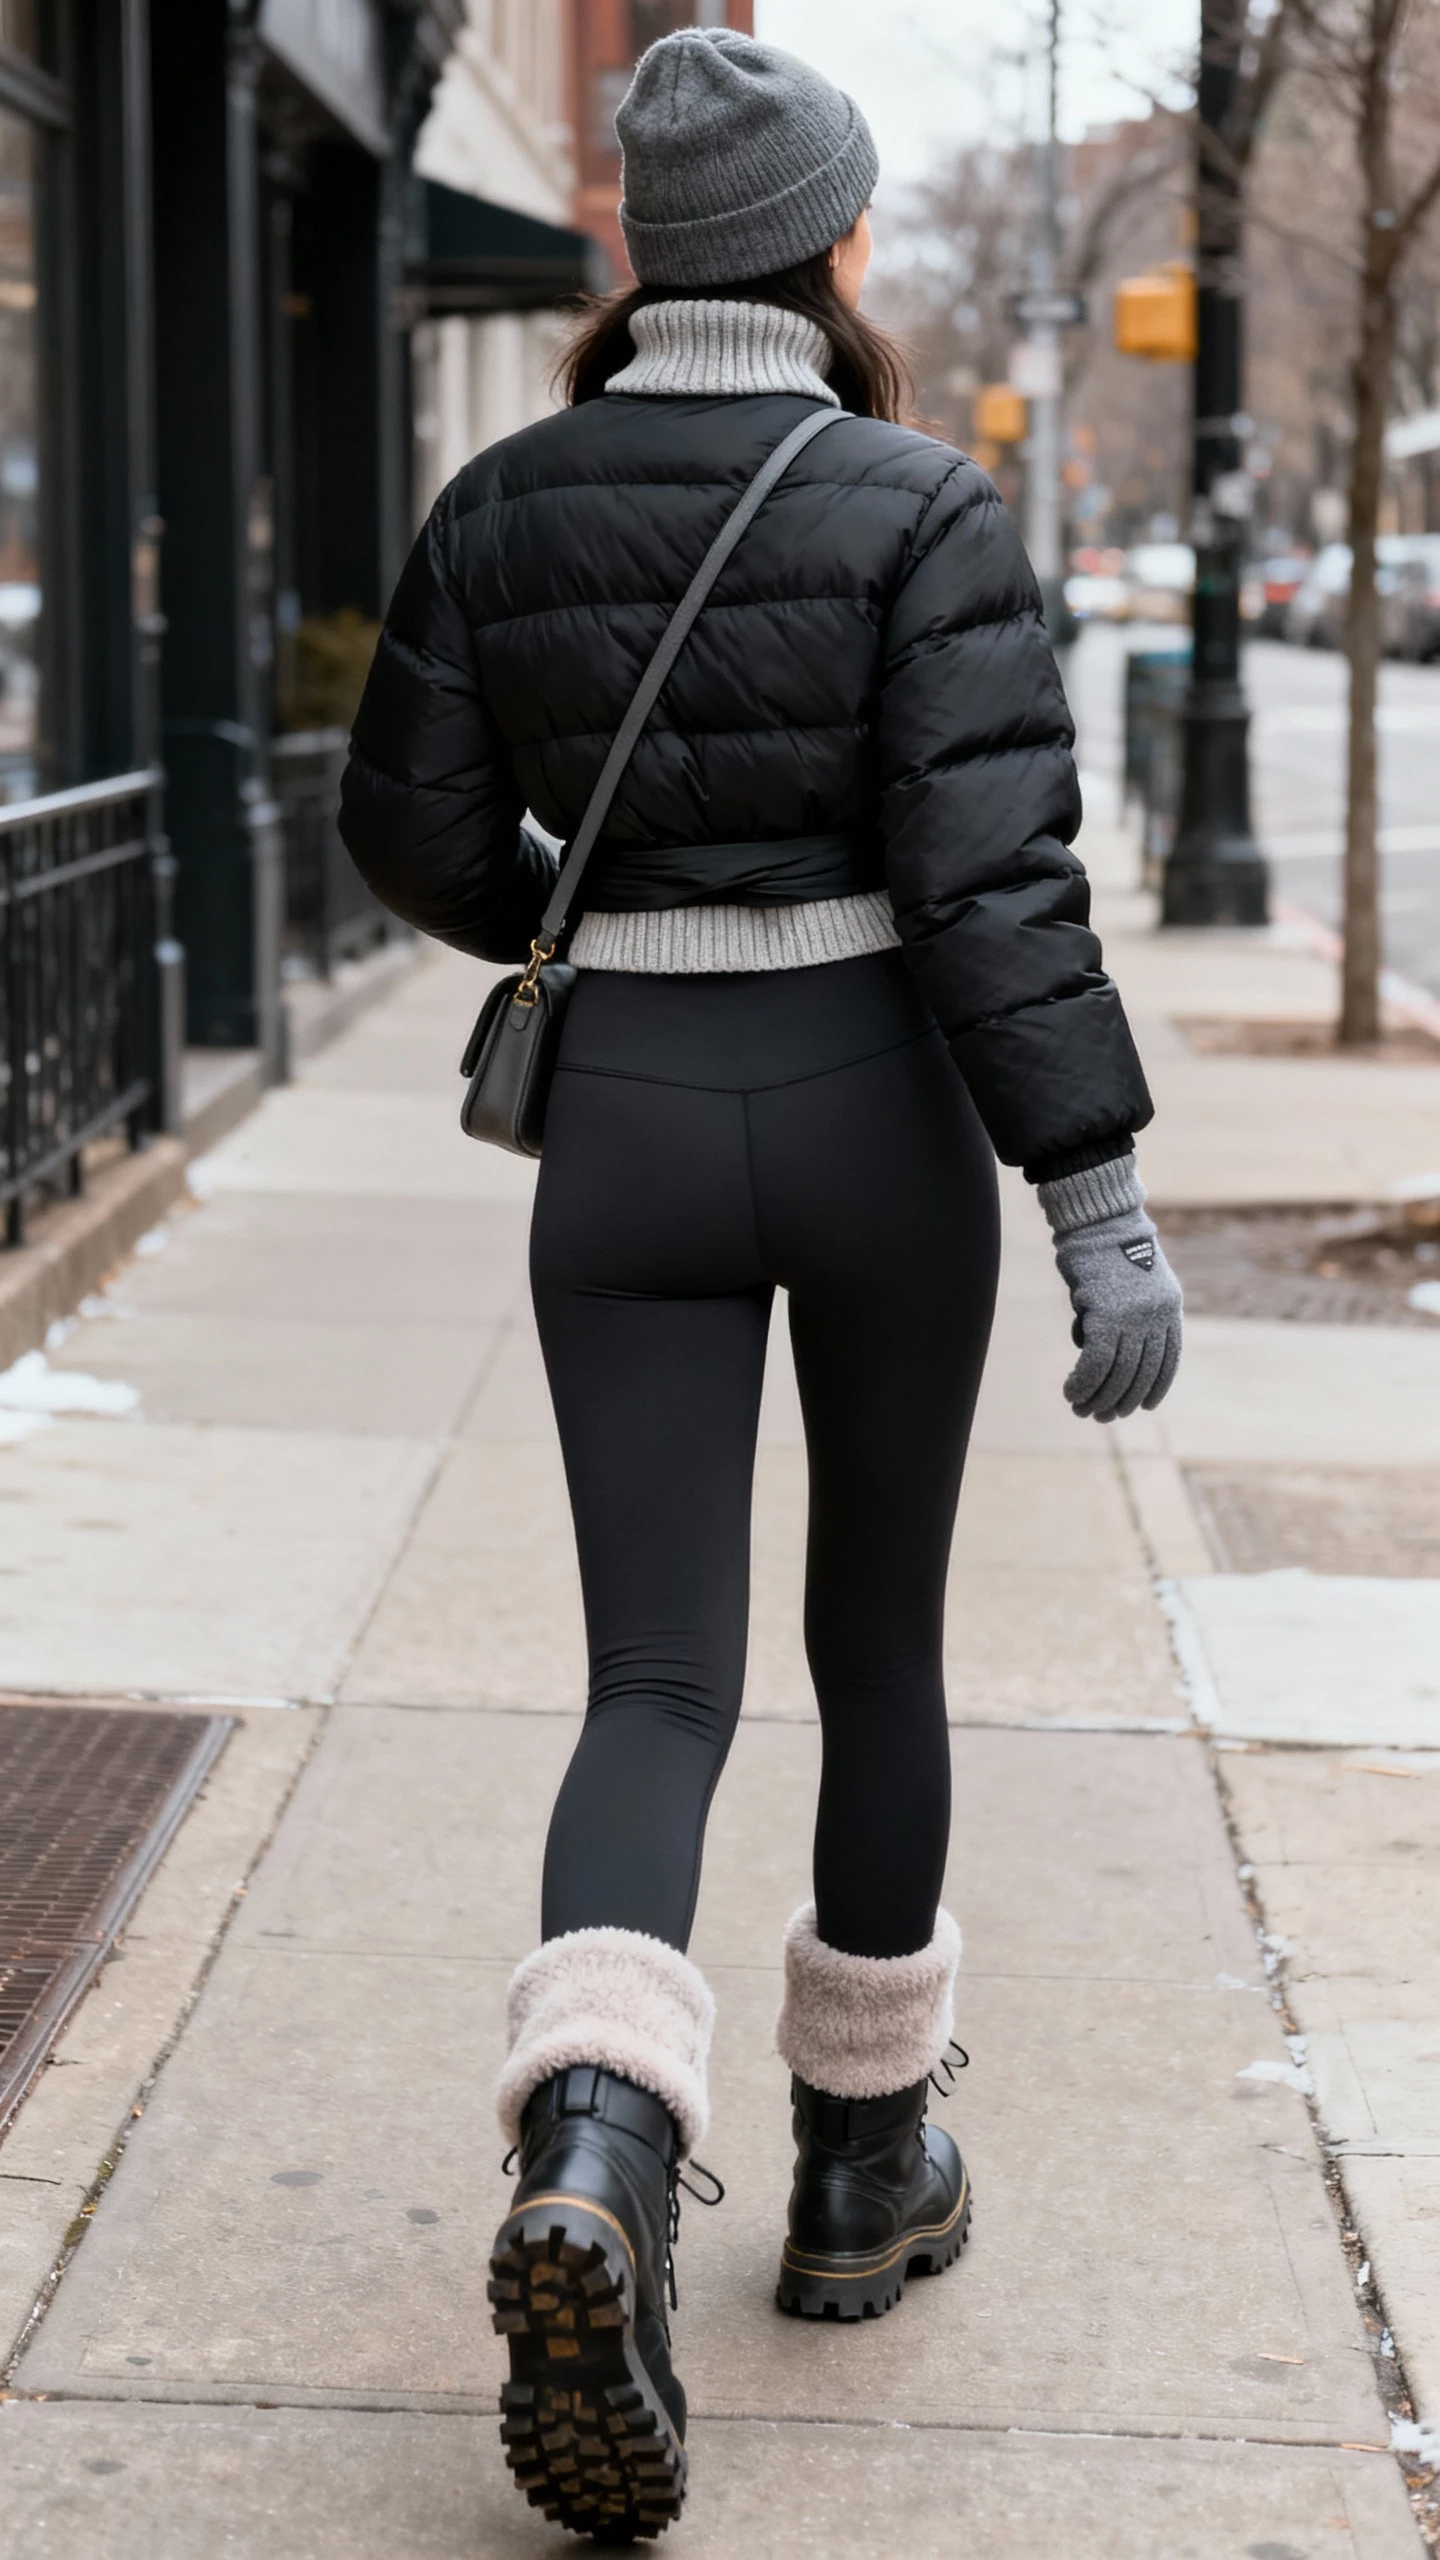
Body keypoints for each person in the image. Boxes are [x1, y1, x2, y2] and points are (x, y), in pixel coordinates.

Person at [340, 25, 1182, 2543]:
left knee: (657, 1676)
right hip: (878, 1115)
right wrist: (1096, 1193)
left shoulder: (499, 500)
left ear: (633, 252)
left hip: (618, 1131)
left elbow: (404, 828)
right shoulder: (921, 501)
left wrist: (578, 932)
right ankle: (853, 2169)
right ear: (826, 242)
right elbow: (995, 885)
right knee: (879, 1651)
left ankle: (591, 2151)